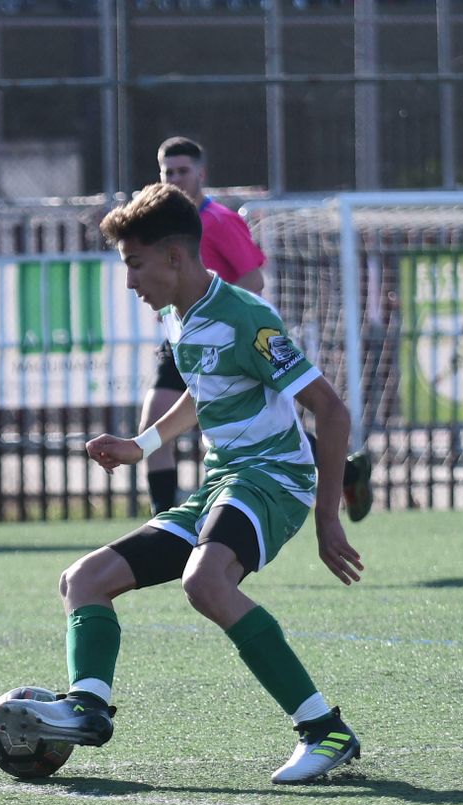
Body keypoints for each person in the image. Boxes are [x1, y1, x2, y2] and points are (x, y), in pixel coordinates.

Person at [0, 183, 364, 785]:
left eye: (134, 265)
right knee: (83, 580)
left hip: (273, 478)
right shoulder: (178, 317)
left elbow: (332, 409)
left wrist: (327, 518)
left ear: (175, 256)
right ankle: (87, 707)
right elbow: (204, 390)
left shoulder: (248, 318)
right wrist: (140, 446)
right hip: (223, 483)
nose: (129, 281)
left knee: (205, 580)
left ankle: (326, 731)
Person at [143, 136, 373, 521]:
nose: (176, 178)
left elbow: (253, 281)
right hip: (183, 342)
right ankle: (162, 526)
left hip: (226, 342)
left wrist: (211, 314)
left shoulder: (218, 221)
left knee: (263, 428)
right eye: (169, 172)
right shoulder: (164, 227)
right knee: (153, 426)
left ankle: (346, 471)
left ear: (202, 174)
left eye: (183, 171)